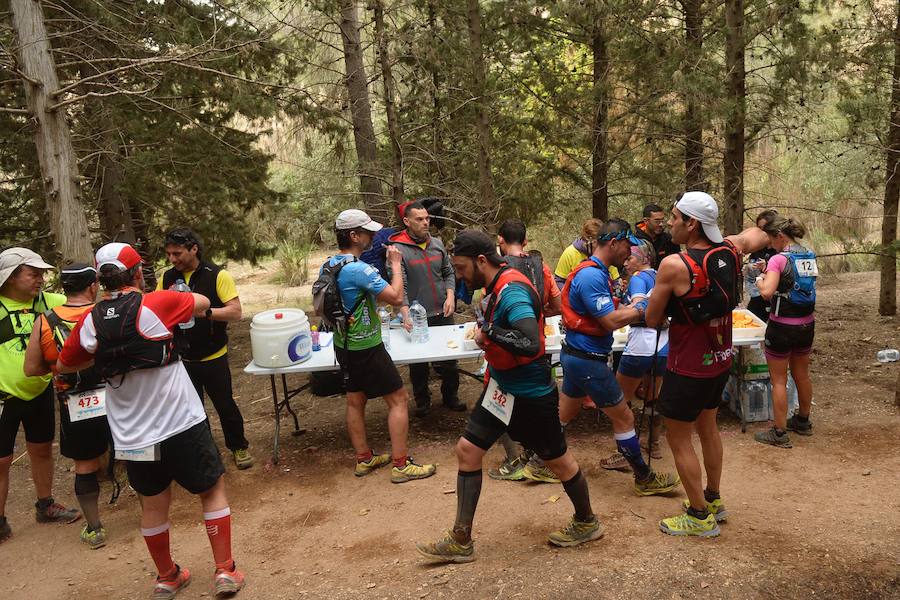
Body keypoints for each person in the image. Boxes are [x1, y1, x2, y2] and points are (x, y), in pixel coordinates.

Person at [58, 242, 245, 598]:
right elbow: (203, 304)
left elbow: (66, 364)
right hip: (181, 422)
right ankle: (224, 571)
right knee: (211, 490)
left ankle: (167, 577)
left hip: (133, 434)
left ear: (101, 281)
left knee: (153, 502)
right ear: (138, 273)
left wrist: (108, 356)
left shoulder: (89, 322)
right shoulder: (158, 302)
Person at [416, 230, 603, 563]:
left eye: (461, 268)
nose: (459, 275)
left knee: (558, 461)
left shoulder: (513, 290)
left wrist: (490, 333)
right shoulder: (497, 284)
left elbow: (530, 343)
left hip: (530, 396)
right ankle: (461, 539)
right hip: (502, 389)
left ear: (481, 261)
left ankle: (586, 521)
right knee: (467, 450)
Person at [645, 191, 768, 537]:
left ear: (691, 223)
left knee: (679, 439)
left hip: (687, 366)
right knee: (708, 427)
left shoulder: (674, 265)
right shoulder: (727, 251)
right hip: (719, 359)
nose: (669, 223)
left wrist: (653, 300)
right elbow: (753, 235)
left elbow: (654, 319)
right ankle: (712, 498)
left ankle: (699, 516)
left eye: (674, 217)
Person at [549, 222, 679, 497]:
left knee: (565, 412)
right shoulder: (591, 276)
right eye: (627, 246)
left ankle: (539, 461)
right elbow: (608, 320)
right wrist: (643, 308)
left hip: (576, 356)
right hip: (588, 360)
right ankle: (644, 477)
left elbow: (607, 311)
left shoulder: (598, 273)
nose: (629, 252)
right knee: (624, 417)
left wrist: (628, 308)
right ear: (613, 243)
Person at [322, 209, 437, 483]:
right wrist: (395, 264)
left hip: (344, 343)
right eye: (367, 232)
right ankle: (401, 464)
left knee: (355, 400)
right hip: (368, 346)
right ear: (353, 235)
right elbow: (397, 297)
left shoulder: (330, 264)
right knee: (398, 400)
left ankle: (364, 459)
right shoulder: (358, 269)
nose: (372, 236)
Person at [23, 264, 110, 549]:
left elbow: (31, 368)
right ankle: (152, 514)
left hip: (75, 401)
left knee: (84, 465)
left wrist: (59, 368)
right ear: (93, 286)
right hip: (117, 395)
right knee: (137, 452)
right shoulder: (106, 313)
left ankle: (94, 528)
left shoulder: (45, 321)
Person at [0, 248, 80, 544]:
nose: (41, 279)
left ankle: (45, 506)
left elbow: (81, 306)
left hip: (40, 391)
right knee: (2, 460)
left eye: (42, 273)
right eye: (33, 274)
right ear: (9, 277)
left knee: (42, 449)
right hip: (3, 398)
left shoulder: (49, 302)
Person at [160, 228, 252, 470]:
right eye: (169, 254)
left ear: (194, 249)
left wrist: (204, 313)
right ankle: (206, 452)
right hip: (182, 358)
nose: (173, 259)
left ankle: (238, 446)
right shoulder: (167, 278)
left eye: (177, 253)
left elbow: (236, 312)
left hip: (213, 354)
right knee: (193, 409)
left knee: (224, 404)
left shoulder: (217, 275)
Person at [488, 218, 562, 481]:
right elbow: (557, 304)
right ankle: (533, 457)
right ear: (526, 241)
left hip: (505, 348)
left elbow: (489, 309)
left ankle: (519, 459)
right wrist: (538, 316)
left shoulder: (498, 270)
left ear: (500, 240)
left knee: (502, 402)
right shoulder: (541, 267)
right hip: (536, 346)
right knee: (534, 405)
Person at [388, 201, 463, 417]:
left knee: (450, 357)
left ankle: (451, 396)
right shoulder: (397, 249)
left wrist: (450, 295)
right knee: (418, 361)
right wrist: (404, 313)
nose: (425, 223)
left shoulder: (437, 243)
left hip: (443, 311)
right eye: (419, 219)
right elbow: (398, 282)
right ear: (407, 221)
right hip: (417, 316)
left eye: (427, 218)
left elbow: (448, 273)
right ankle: (422, 401)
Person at [600, 239, 668, 470]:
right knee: (652, 396)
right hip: (663, 345)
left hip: (640, 344)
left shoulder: (639, 278)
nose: (626, 262)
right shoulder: (660, 275)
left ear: (644, 258)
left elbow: (639, 307)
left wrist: (614, 310)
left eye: (631, 257)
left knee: (620, 400)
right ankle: (653, 444)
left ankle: (624, 454)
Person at [753, 217, 817, 448]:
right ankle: (803, 421)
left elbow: (767, 293)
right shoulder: (809, 254)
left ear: (780, 236)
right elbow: (797, 282)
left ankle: (779, 433)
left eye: (771, 239)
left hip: (782, 326)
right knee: (802, 375)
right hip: (806, 324)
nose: (769, 245)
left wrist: (760, 279)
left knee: (778, 380)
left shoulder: (778, 259)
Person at [554, 218, 620, 289]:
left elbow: (615, 279)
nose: (601, 247)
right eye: (597, 243)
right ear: (587, 242)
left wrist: (617, 287)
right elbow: (559, 281)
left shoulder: (606, 252)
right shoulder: (570, 253)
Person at [744, 209, 779, 322]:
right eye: (759, 229)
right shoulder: (757, 247)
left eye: (765, 229)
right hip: (756, 295)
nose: (762, 232)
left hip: (774, 299)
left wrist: (768, 266)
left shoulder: (780, 249)